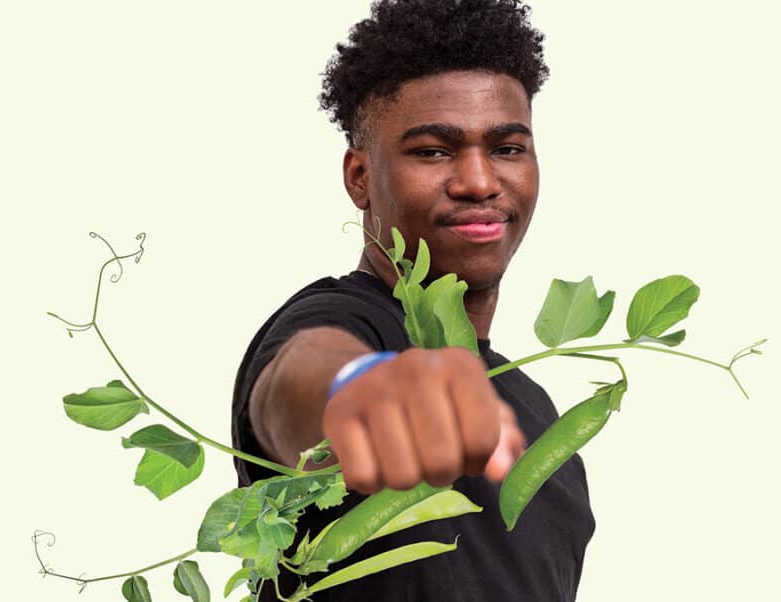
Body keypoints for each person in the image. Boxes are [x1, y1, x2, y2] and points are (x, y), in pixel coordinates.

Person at [231, 1, 595, 599]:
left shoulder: (537, 417)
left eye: (506, 148)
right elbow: (294, 385)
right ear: (359, 176)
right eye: (432, 151)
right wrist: (360, 389)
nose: (478, 181)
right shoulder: (345, 320)